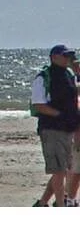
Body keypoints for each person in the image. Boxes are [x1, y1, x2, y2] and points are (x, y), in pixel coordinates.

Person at [31, 44, 79, 207]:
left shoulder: (68, 74)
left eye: (69, 56)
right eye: (65, 56)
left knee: (64, 169)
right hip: (52, 129)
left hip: (67, 129)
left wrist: (75, 66)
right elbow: (39, 104)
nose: (68, 59)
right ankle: (60, 204)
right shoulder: (43, 77)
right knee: (59, 170)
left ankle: (43, 203)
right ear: (54, 57)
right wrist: (60, 115)